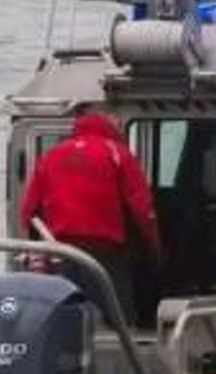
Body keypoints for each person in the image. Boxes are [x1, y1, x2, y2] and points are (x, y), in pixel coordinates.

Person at [18, 111, 160, 319]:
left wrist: (34, 249)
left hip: (60, 249)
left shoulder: (51, 155)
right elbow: (143, 210)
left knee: (63, 310)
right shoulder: (118, 153)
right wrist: (154, 249)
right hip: (105, 250)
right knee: (118, 314)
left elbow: (28, 210)